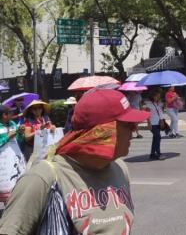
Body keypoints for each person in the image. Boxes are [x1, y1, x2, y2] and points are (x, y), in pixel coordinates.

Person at [0, 89, 150, 234]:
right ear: (102, 132)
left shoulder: (120, 168)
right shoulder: (42, 178)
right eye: (128, 124)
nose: (135, 129)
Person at [144, 88, 165, 160]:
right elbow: (147, 114)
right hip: (152, 123)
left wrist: (161, 120)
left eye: (159, 96)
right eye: (157, 96)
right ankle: (159, 153)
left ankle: (152, 154)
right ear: (153, 96)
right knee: (158, 137)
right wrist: (148, 123)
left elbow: (160, 113)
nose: (158, 97)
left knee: (155, 138)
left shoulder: (157, 103)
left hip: (157, 123)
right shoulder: (149, 104)